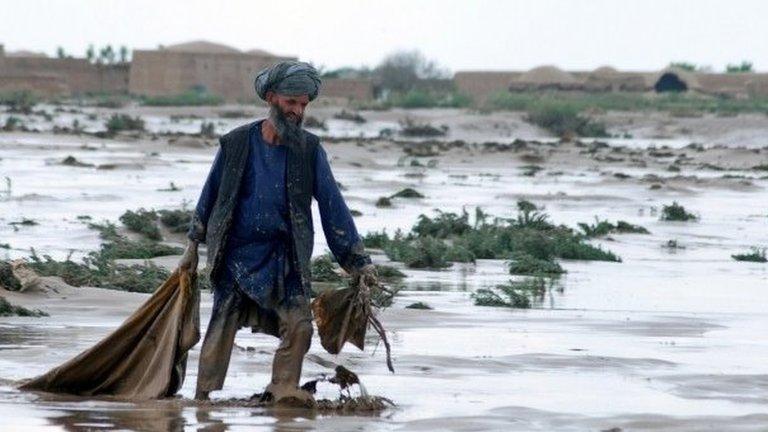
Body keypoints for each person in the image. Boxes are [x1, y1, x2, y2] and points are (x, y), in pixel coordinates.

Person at [178, 61, 378, 404]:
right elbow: (210, 194)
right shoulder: (236, 143)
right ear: (271, 98)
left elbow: (334, 208)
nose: (298, 111)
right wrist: (193, 244)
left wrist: (357, 261)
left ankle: (282, 389)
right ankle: (202, 401)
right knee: (220, 328)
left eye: (303, 105)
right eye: (291, 103)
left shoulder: (309, 150)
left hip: (285, 259)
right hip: (236, 257)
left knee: (300, 327)